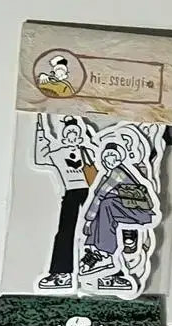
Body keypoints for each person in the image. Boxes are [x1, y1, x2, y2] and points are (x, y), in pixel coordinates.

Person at [78, 142, 157, 290]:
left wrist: (88, 220)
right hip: (126, 210)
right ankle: (97, 252)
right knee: (104, 207)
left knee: (106, 204)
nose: (110, 160)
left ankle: (105, 253)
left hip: (140, 212)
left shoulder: (118, 173)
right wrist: (90, 220)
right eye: (107, 157)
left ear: (120, 158)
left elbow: (100, 194)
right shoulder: (109, 175)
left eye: (113, 156)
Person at [34, 115, 94, 289]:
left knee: (95, 230)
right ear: (64, 136)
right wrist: (40, 132)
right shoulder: (58, 153)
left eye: (76, 133)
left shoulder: (87, 151)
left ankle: (98, 270)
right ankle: (62, 271)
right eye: (69, 133)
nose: (72, 136)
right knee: (66, 231)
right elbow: (40, 158)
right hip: (71, 192)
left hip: (89, 191)